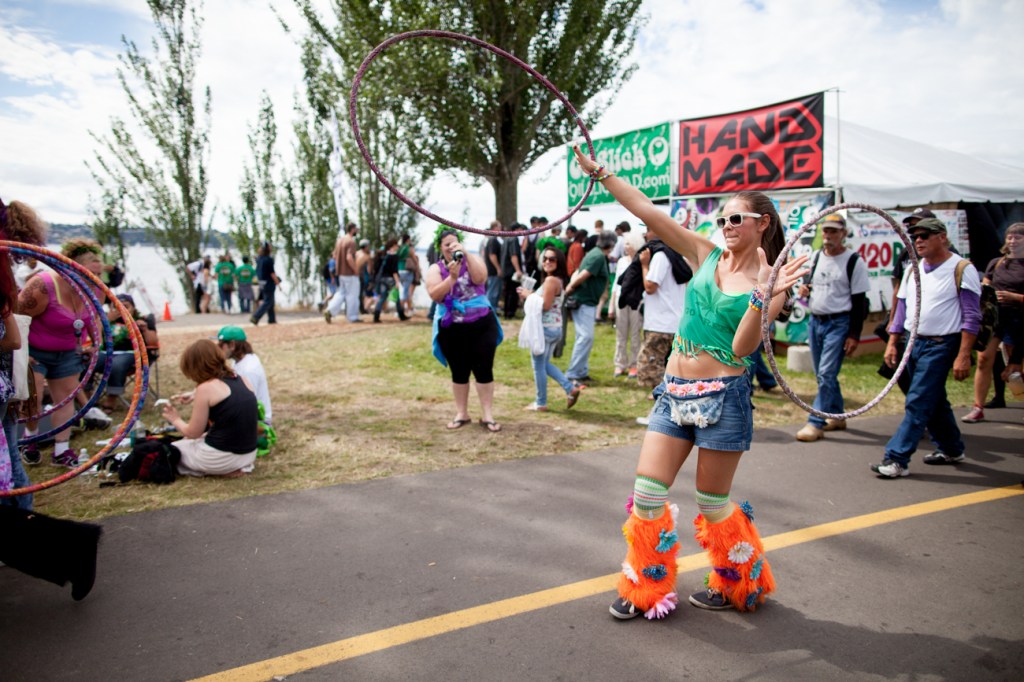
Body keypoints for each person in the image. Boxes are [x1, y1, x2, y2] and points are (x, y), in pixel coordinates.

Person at [573, 144, 807, 620]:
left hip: (725, 398)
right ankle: (647, 589)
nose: (726, 227)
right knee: (646, 495)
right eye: (722, 220)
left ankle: (740, 582)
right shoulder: (704, 253)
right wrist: (603, 175)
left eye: (736, 219)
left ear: (763, 223)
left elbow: (743, 348)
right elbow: (646, 211)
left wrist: (763, 297)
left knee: (712, 502)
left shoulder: (774, 279)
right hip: (674, 393)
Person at [873, 217, 981, 477]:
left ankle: (896, 459)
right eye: (915, 236)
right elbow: (900, 311)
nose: (918, 241)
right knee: (934, 399)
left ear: (942, 237)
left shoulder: (962, 268)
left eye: (924, 235)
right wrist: (892, 343)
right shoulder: (912, 269)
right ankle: (952, 448)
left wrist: (964, 354)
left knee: (918, 401)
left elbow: (972, 316)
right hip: (912, 342)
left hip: (941, 344)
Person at [18, 238, 107, 468]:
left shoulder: (97, 289)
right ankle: (30, 439)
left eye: (98, 274)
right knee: (33, 397)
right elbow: (15, 318)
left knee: (66, 398)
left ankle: (61, 450)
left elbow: (94, 318)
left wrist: (95, 344)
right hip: (33, 350)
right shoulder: (42, 286)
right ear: (71, 267)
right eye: (89, 273)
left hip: (67, 352)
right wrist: (21, 352)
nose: (94, 279)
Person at [794, 214, 870, 441]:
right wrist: (804, 291)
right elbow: (808, 284)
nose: (828, 236)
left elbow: (860, 303)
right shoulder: (816, 257)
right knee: (823, 374)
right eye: (826, 231)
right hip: (816, 320)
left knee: (826, 373)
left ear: (843, 233)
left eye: (834, 231)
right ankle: (836, 415)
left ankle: (815, 421)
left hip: (839, 322)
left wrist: (854, 335)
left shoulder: (853, 261)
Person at [426, 227, 503, 433]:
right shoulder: (436, 268)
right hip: (452, 327)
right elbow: (434, 295)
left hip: (481, 324)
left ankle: (487, 414)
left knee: (484, 369)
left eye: (454, 243)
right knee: (459, 371)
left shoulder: (472, 260)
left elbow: (481, 278)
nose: (451, 247)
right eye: (447, 245)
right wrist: (451, 278)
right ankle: (462, 413)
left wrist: (466, 254)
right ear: (440, 248)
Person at [162, 339, 258, 477]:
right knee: (197, 440)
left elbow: (193, 432)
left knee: (175, 448)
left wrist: (175, 419)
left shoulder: (205, 388)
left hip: (222, 457)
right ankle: (230, 468)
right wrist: (195, 395)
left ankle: (221, 470)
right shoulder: (242, 379)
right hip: (248, 454)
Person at [961, 222, 1024, 421]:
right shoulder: (996, 263)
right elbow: (984, 288)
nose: (1013, 241)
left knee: (1016, 368)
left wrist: (1016, 298)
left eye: (1018, 237)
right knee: (984, 359)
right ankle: (978, 407)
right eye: (1010, 237)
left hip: (1020, 320)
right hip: (995, 318)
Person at [519, 246, 583, 411]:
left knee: (538, 366)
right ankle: (570, 388)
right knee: (544, 364)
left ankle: (541, 402)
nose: (547, 261)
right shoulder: (557, 280)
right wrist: (532, 294)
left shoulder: (551, 280)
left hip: (545, 330)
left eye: (552, 259)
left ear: (559, 262)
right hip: (554, 328)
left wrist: (529, 296)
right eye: (545, 258)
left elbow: (545, 306)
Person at [564, 230, 615, 384]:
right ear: (611, 244)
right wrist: (570, 288)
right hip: (584, 300)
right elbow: (583, 274)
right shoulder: (598, 256)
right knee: (585, 338)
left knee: (585, 338)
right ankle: (573, 373)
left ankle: (581, 372)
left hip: (587, 301)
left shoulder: (596, 253)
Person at [98, 293, 159, 412]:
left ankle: (111, 399)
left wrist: (145, 329)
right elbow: (94, 336)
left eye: (126, 306)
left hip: (132, 354)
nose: (121, 309)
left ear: (133, 308)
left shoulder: (142, 320)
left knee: (116, 364)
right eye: (117, 306)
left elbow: (153, 343)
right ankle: (86, 397)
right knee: (88, 361)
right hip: (106, 352)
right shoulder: (104, 319)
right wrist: (106, 320)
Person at [216, 325, 272, 425]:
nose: (218, 350)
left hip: (257, 423)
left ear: (232, 345)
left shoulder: (248, 370)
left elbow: (248, 403)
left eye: (221, 346)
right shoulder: (241, 361)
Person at [612, 231, 645, 378]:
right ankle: (620, 363)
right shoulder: (621, 262)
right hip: (621, 299)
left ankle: (634, 364)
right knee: (621, 333)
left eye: (628, 243)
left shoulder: (642, 261)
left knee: (635, 334)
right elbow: (615, 285)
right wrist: (611, 305)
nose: (626, 247)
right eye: (625, 243)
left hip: (637, 301)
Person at [325, 222, 361, 324]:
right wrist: (355, 270)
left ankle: (330, 310)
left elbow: (335, 256)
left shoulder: (339, 241)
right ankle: (352, 317)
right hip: (349, 273)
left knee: (341, 293)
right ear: (352, 229)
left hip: (340, 273)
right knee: (352, 295)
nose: (357, 231)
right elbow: (349, 257)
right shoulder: (351, 242)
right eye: (356, 229)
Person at [373, 238, 408, 323]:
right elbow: (394, 271)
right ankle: (401, 315)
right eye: (396, 245)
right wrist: (397, 282)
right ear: (393, 246)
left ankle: (376, 316)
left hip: (381, 279)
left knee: (382, 297)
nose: (397, 247)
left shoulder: (382, 255)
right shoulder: (394, 256)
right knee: (397, 297)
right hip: (390, 279)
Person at [250, 242, 279, 326]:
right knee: (268, 301)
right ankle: (255, 317)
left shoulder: (259, 258)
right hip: (268, 282)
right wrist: (277, 282)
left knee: (271, 301)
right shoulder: (268, 259)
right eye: (270, 246)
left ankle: (272, 319)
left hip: (261, 282)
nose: (271, 248)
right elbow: (272, 273)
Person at [501, 223, 525, 319]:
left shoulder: (505, 240)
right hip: (512, 271)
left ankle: (506, 312)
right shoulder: (514, 239)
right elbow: (513, 255)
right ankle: (511, 313)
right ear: (517, 229)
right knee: (513, 292)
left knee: (507, 293)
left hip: (505, 270)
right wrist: (518, 270)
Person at [484, 221, 504, 309]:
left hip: (494, 270)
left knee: (496, 291)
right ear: (495, 227)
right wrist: (498, 268)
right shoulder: (493, 240)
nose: (500, 228)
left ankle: (493, 308)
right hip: (493, 271)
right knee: (493, 291)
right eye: (499, 226)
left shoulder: (495, 239)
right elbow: (492, 255)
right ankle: (490, 309)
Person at [356, 239, 374, 314]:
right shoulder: (367, 256)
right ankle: (362, 309)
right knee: (361, 294)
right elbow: (369, 270)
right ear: (366, 247)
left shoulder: (356, 253)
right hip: (360, 276)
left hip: (352, 275)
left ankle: (360, 309)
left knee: (356, 294)